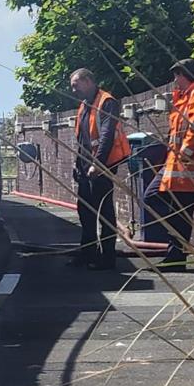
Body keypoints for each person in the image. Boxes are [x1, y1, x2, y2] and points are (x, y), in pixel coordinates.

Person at [144, 59, 194, 272]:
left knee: (177, 213)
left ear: (184, 75)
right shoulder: (183, 98)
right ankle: (175, 257)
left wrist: (185, 154)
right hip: (177, 171)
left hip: (189, 171)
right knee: (168, 207)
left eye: (177, 75)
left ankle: (175, 259)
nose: (175, 80)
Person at [69, 68, 131, 270]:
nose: (74, 90)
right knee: (85, 211)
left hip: (102, 166)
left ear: (88, 81)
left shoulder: (107, 102)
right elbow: (82, 140)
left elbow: (106, 136)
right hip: (86, 167)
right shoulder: (85, 105)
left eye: (76, 85)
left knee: (104, 212)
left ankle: (107, 257)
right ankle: (88, 253)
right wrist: (78, 165)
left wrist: (99, 164)